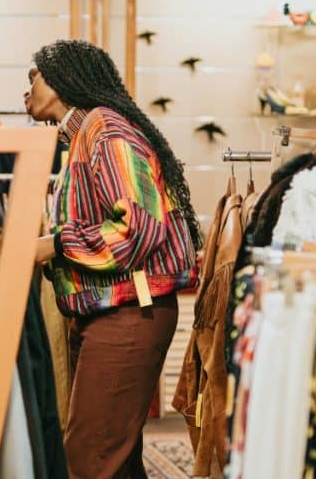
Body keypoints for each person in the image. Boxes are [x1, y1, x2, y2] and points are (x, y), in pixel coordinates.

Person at [27, 40, 201, 478]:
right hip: (110, 313)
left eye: (34, 76)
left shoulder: (109, 131)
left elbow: (136, 229)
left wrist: (55, 244)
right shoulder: (86, 135)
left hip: (128, 314)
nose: (26, 89)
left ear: (66, 79)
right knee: (113, 459)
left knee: (90, 456)